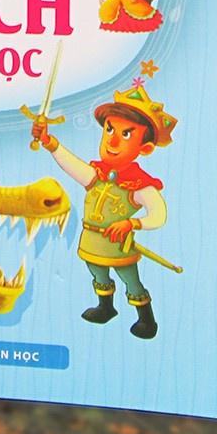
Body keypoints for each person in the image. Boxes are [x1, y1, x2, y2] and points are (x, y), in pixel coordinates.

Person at [31, 85, 177, 338]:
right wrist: (48, 141)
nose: (113, 140)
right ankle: (106, 307)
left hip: (118, 245)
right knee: (97, 272)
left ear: (144, 148)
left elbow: (158, 214)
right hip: (92, 240)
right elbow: (71, 164)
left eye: (126, 134)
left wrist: (132, 224)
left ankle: (146, 319)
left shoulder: (139, 184)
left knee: (130, 279)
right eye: (110, 129)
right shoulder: (97, 174)